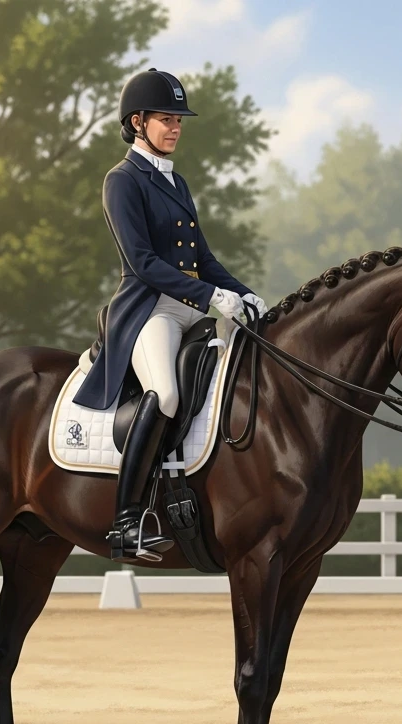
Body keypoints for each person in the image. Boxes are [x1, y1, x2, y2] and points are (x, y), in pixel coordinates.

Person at [72, 67, 268, 561]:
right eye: (166, 118)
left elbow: (203, 258)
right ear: (137, 122)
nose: (176, 127)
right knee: (167, 393)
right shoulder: (121, 181)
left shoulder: (176, 182)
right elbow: (143, 263)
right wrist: (207, 298)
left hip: (190, 305)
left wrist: (245, 294)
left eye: (179, 119)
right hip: (149, 310)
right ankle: (127, 520)